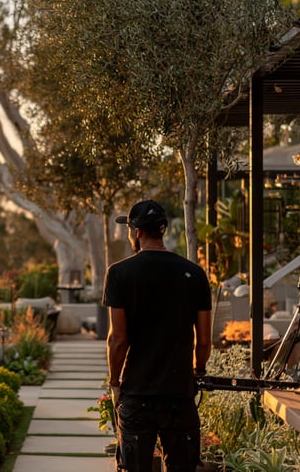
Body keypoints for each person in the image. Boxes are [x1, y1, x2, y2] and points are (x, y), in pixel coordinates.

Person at [103, 200, 212, 472]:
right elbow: (205, 340)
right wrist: (197, 371)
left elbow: (118, 339)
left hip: (137, 394)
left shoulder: (119, 273)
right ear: (162, 229)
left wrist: (115, 381)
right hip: (179, 394)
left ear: (136, 232)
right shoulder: (195, 274)